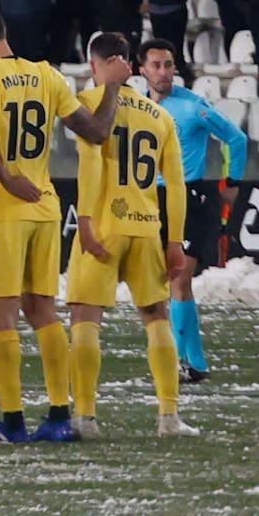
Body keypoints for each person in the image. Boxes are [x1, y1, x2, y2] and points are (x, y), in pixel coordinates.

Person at [0, 0, 116, 442]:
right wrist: (113, 87)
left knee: (1, 319)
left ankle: (13, 423)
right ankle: (60, 416)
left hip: (3, 211)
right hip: (45, 206)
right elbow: (97, 132)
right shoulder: (48, 75)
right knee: (43, 311)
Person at [60, 32, 194, 439]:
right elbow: (176, 184)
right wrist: (174, 242)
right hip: (146, 225)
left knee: (85, 318)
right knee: (157, 316)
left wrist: (84, 220)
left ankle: (84, 417)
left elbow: (91, 166)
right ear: (132, 67)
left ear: (95, 66)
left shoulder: (88, 105)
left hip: (103, 224)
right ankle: (169, 417)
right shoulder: (160, 116)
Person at [143, 38, 249, 389]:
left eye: (169, 65)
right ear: (141, 70)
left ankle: (177, 361)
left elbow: (236, 138)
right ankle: (196, 363)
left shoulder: (193, 107)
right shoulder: (138, 107)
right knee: (166, 283)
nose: (163, 72)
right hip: (151, 199)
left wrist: (231, 179)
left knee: (179, 279)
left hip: (190, 198)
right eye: (156, 65)